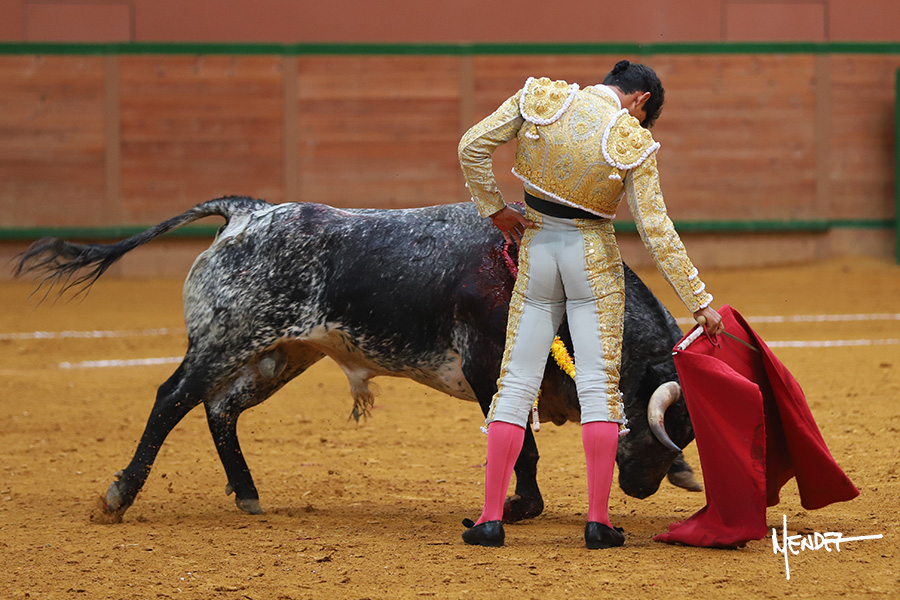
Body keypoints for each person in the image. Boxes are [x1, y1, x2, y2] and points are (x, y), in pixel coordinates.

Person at [457, 60, 724, 549]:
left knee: (514, 384)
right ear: (641, 100)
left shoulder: (541, 99)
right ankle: (598, 523)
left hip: (537, 247)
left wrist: (494, 209)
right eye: (643, 116)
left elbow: (471, 146)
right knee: (600, 387)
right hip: (591, 258)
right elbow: (657, 231)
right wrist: (699, 301)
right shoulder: (631, 139)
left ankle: (490, 520)